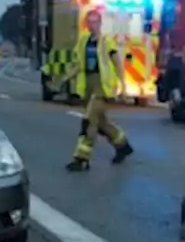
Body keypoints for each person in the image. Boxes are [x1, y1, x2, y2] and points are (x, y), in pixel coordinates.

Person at [51, 10, 133, 172]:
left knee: (88, 121)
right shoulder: (83, 42)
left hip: (102, 87)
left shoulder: (107, 42)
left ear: (100, 23)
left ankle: (81, 158)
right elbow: (78, 65)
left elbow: (117, 63)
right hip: (88, 85)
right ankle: (122, 145)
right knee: (100, 123)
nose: (92, 25)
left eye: (95, 22)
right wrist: (64, 79)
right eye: (89, 22)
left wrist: (123, 86)